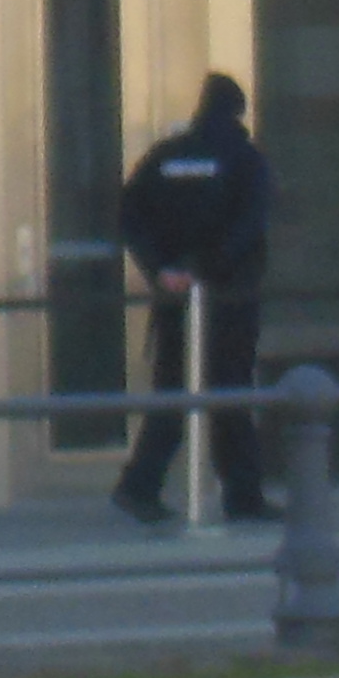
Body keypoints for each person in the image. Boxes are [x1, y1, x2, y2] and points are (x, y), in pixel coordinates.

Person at [110, 72, 273, 525]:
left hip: (175, 299)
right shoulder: (244, 160)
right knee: (231, 396)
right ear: (238, 112)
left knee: (173, 393)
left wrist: (163, 269)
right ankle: (242, 494)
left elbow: (129, 214)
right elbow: (249, 224)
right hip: (229, 297)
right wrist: (207, 267)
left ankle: (140, 485)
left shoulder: (166, 156)